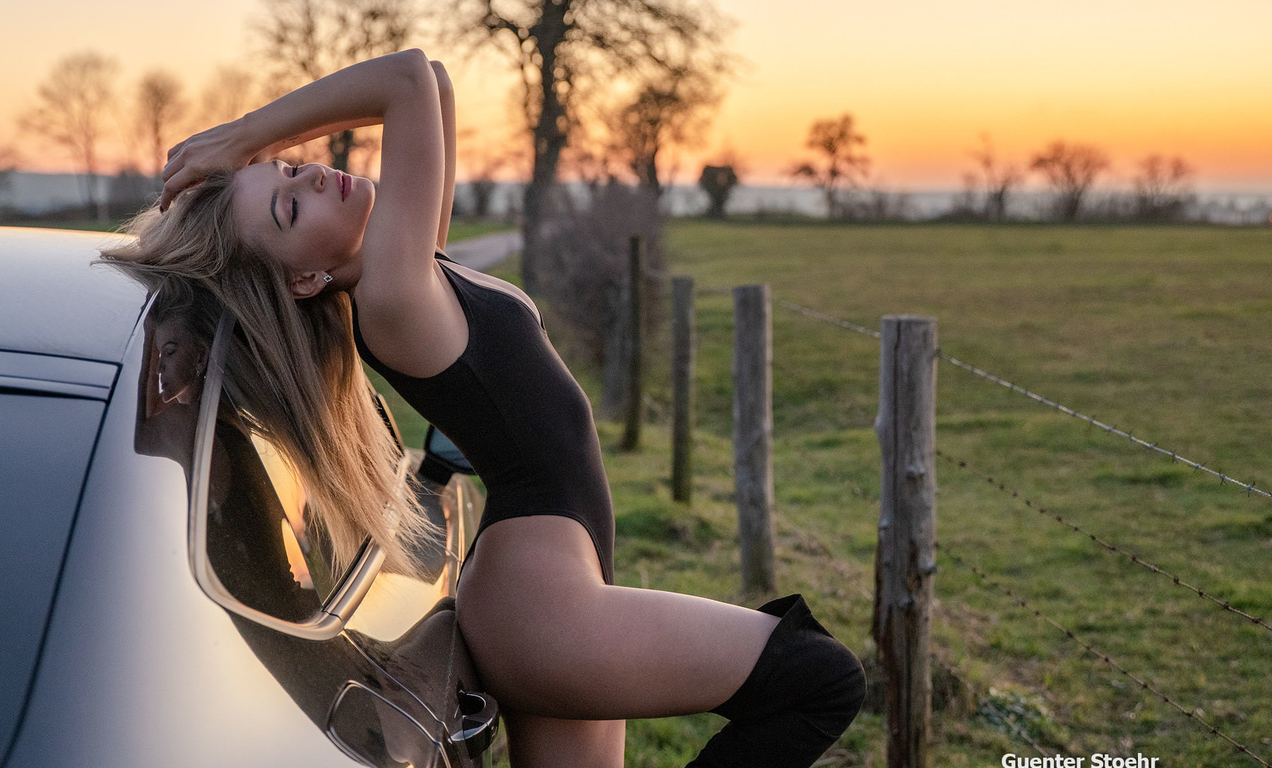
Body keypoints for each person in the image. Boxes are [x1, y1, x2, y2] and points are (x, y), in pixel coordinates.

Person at [104, 49, 865, 768]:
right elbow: (400, 79)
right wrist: (244, 138)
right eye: (289, 209)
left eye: (295, 168)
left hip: (557, 586)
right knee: (821, 679)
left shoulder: (412, 266)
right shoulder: (395, 298)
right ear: (302, 280)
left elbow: (431, 83)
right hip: (543, 608)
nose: (315, 178)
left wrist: (250, 160)